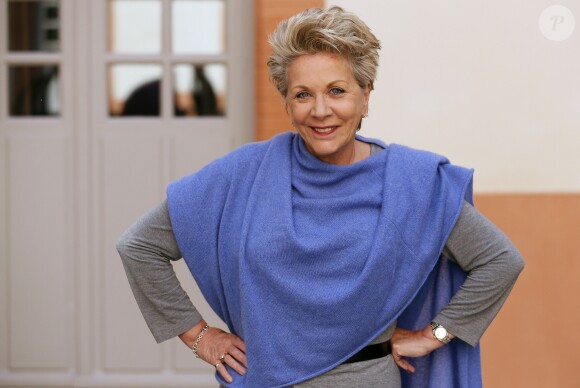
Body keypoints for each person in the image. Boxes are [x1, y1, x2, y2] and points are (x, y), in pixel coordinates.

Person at [117, 6, 524, 387]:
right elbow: (139, 246)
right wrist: (199, 335)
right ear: (288, 102)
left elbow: (499, 260)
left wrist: (433, 334)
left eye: (336, 91)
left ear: (365, 95)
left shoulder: (413, 182)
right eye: (303, 95)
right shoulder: (242, 174)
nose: (320, 110)